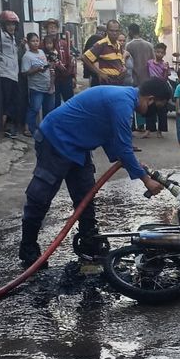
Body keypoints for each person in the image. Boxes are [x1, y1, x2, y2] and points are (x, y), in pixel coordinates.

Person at [19, 78, 171, 267]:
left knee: (86, 193)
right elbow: (124, 149)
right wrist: (146, 180)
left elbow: (109, 136)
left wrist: (129, 161)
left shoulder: (123, 99)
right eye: (158, 105)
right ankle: (28, 248)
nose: (154, 111)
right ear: (150, 99)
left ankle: (89, 241)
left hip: (78, 146)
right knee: (41, 195)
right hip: (55, 139)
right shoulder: (122, 103)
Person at [0, 10, 25, 138]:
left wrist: (21, 46)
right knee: (7, 101)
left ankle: (10, 126)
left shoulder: (12, 38)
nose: (11, 27)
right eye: (8, 24)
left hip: (13, 74)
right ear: (3, 25)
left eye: (13, 24)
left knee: (15, 101)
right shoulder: (0, 36)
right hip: (5, 73)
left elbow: (14, 55)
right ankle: (5, 127)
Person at [21, 33, 54, 136]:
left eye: (37, 41)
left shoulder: (41, 52)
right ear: (29, 43)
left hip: (48, 86)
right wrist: (36, 69)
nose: (35, 43)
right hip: (36, 88)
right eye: (33, 41)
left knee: (49, 110)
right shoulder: (27, 56)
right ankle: (31, 130)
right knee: (34, 109)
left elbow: (45, 67)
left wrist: (48, 68)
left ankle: (46, 130)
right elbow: (24, 73)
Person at [125, 23, 154, 130]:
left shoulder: (129, 45)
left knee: (135, 100)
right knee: (147, 100)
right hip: (148, 77)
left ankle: (138, 125)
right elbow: (153, 61)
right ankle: (149, 126)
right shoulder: (149, 45)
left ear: (131, 31)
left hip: (134, 77)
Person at [42, 19, 77, 108]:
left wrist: (73, 76)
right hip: (52, 79)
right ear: (46, 29)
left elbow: (72, 59)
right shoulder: (42, 45)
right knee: (54, 104)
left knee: (70, 103)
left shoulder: (64, 43)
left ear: (58, 29)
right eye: (50, 27)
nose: (52, 29)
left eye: (54, 27)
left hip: (66, 77)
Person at [82, 20, 126, 87]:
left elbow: (119, 62)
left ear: (119, 32)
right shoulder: (101, 44)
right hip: (107, 83)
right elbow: (85, 58)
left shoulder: (119, 45)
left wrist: (123, 68)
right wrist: (99, 73)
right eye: (111, 31)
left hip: (119, 83)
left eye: (116, 31)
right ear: (107, 31)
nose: (114, 33)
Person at [143, 42, 170, 139]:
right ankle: (148, 130)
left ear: (164, 54)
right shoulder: (149, 63)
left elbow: (165, 78)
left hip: (161, 88)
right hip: (150, 88)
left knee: (161, 110)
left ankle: (160, 131)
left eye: (162, 53)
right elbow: (146, 74)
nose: (159, 54)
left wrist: (166, 70)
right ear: (154, 52)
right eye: (158, 52)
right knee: (149, 108)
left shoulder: (165, 64)